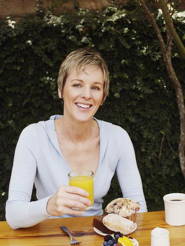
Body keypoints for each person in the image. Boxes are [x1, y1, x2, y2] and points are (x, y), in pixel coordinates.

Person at [6, 48, 147, 229]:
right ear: (60, 90)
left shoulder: (117, 138)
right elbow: (14, 215)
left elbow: (138, 206)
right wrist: (48, 206)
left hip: (97, 238)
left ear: (102, 97)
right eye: (77, 84)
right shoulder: (33, 136)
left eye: (95, 87)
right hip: (47, 241)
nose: (87, 95)